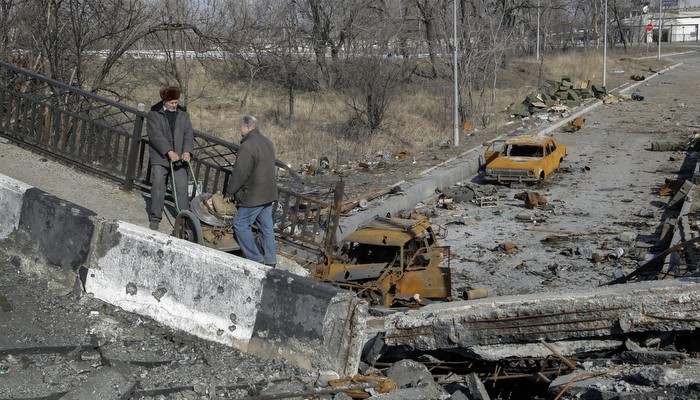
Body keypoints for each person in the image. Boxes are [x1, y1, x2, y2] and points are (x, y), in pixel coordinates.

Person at [225, 115, 278, 266]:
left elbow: (240, 172)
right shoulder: (266, 141)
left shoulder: (247, 146)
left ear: (247, 127)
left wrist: (229, 192)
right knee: (266, 227)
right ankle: (271, 260)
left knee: (240, 224)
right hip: (269, 191)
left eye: (241, 127)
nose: (240, 130)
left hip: (255, 193)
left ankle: (256, 259)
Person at [146, 86, 194, 230]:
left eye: (176, 102)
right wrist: (168, 151)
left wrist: (187, 151)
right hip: (161, 156)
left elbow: (188, 134)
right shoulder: (154, 114)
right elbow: (156, 135)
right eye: (172, 102)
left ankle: (184, 218)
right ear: (164, 101)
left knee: (182, 186)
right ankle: (155, 216)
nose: (175, 105)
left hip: (179, 157)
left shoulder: (183, 115)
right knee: (159, 184)